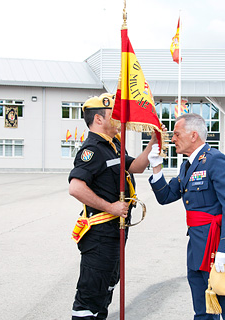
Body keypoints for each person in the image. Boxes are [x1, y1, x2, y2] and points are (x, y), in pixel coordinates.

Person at [147, 113, 225, 320]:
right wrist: (156, 167)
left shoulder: (216, 161)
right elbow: (166, 196)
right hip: (196, 246)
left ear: (193, 135)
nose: (173, 139)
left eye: (176, 134)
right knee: (203, 308)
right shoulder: (187, 166)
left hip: (215, 246)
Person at [68, 93, 157, 319]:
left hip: (116, 231)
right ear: (98, 119)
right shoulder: (92, 149)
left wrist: (153, 143)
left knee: (107, 287)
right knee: (90, 296)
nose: (119, 120)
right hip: (100, 234)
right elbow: (76, 188)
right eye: (113, 115)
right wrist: (110, 207)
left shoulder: (114, 145)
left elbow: (134, 167)